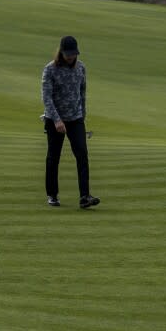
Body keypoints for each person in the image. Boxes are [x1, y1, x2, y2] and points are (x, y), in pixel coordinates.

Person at [41, 35, 100, 209]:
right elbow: (46, 98)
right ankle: (52, 194)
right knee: (53, 157)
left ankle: (84, 196)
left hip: (76, 119)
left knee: (82, 155)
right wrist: (57, 120)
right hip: (54, 120)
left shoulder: (81, 68)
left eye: (73, 54)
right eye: (68, 54)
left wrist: (83, 116)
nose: (71, 57)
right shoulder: (50, 69)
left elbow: (82, 93)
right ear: (61, 52)